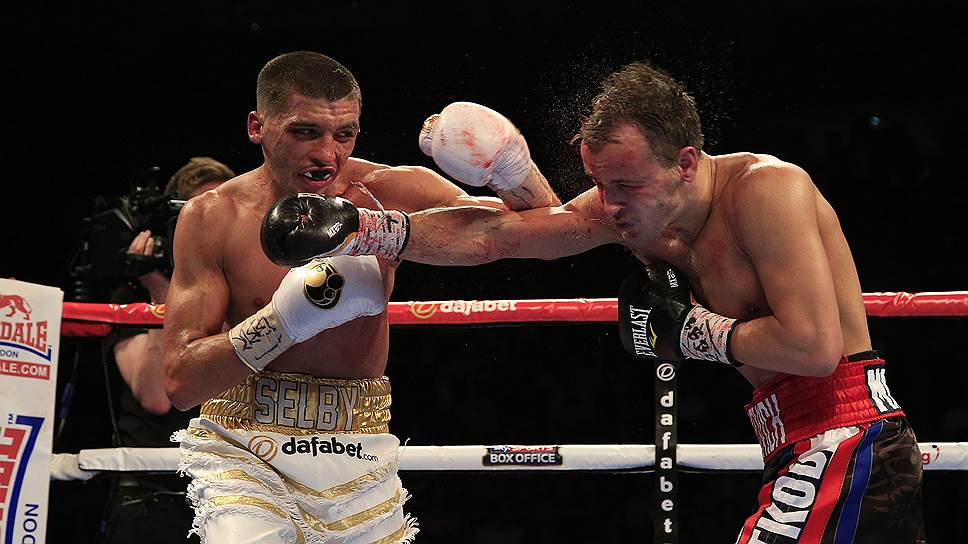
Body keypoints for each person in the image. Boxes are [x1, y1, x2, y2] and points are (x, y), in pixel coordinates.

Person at [282, 61, 926, 543]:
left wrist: (690, 331)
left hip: (848, 439)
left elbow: (814, 348)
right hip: (796, 444)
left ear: (685, 162)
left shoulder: (766, 189)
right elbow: (500, 236)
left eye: (626, 185)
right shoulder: (640, 214)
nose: (610, 204)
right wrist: (367, 229)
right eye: (599, 183)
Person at [163, 51, 559, 544]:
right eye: (305, 132)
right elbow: (181, 382)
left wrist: (512, 170)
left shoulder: (385, 192)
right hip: (243, 443)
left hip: (357, 443)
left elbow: (543, 233)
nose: (327, 154)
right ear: (257, 127)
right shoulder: (212, 217)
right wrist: (282, 324)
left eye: (344, 134)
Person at [102, 157, 235, 543]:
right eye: (201, 214)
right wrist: (162, 296)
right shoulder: (132, 295)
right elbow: (156, 397)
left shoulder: (247, 293)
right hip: (151, 494)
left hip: (231, 489)